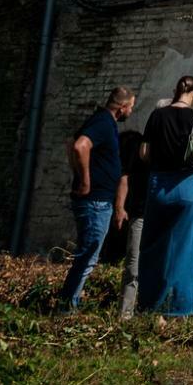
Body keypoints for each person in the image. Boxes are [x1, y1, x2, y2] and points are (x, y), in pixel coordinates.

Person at [137, 74, 193, 316]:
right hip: (186, 186)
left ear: (175, 90)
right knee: (185, 248)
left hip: (159, 183)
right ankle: (181, 308)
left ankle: (150, 305)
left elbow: (144, 153)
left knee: (153, 246)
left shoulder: (157, 115)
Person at [59, 85, 136, 309]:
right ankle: (67, 307)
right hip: (95, 200)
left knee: (88, 255)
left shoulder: (103, 123)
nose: (131, 111)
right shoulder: (102, 122)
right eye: (131, 107)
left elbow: (71, 144)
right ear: (122, 108)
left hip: (100, 199)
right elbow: (79, 146)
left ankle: (69, 303)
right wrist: (84, 181)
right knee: (88, 257)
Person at [115, 127, 150, 319]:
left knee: (140, 265)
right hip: (140, 212)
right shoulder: (139, 148)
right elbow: (125, 178)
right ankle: (125, 314)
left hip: (152, 212)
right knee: (133, 265)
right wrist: (120, 207)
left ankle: (148, 312)